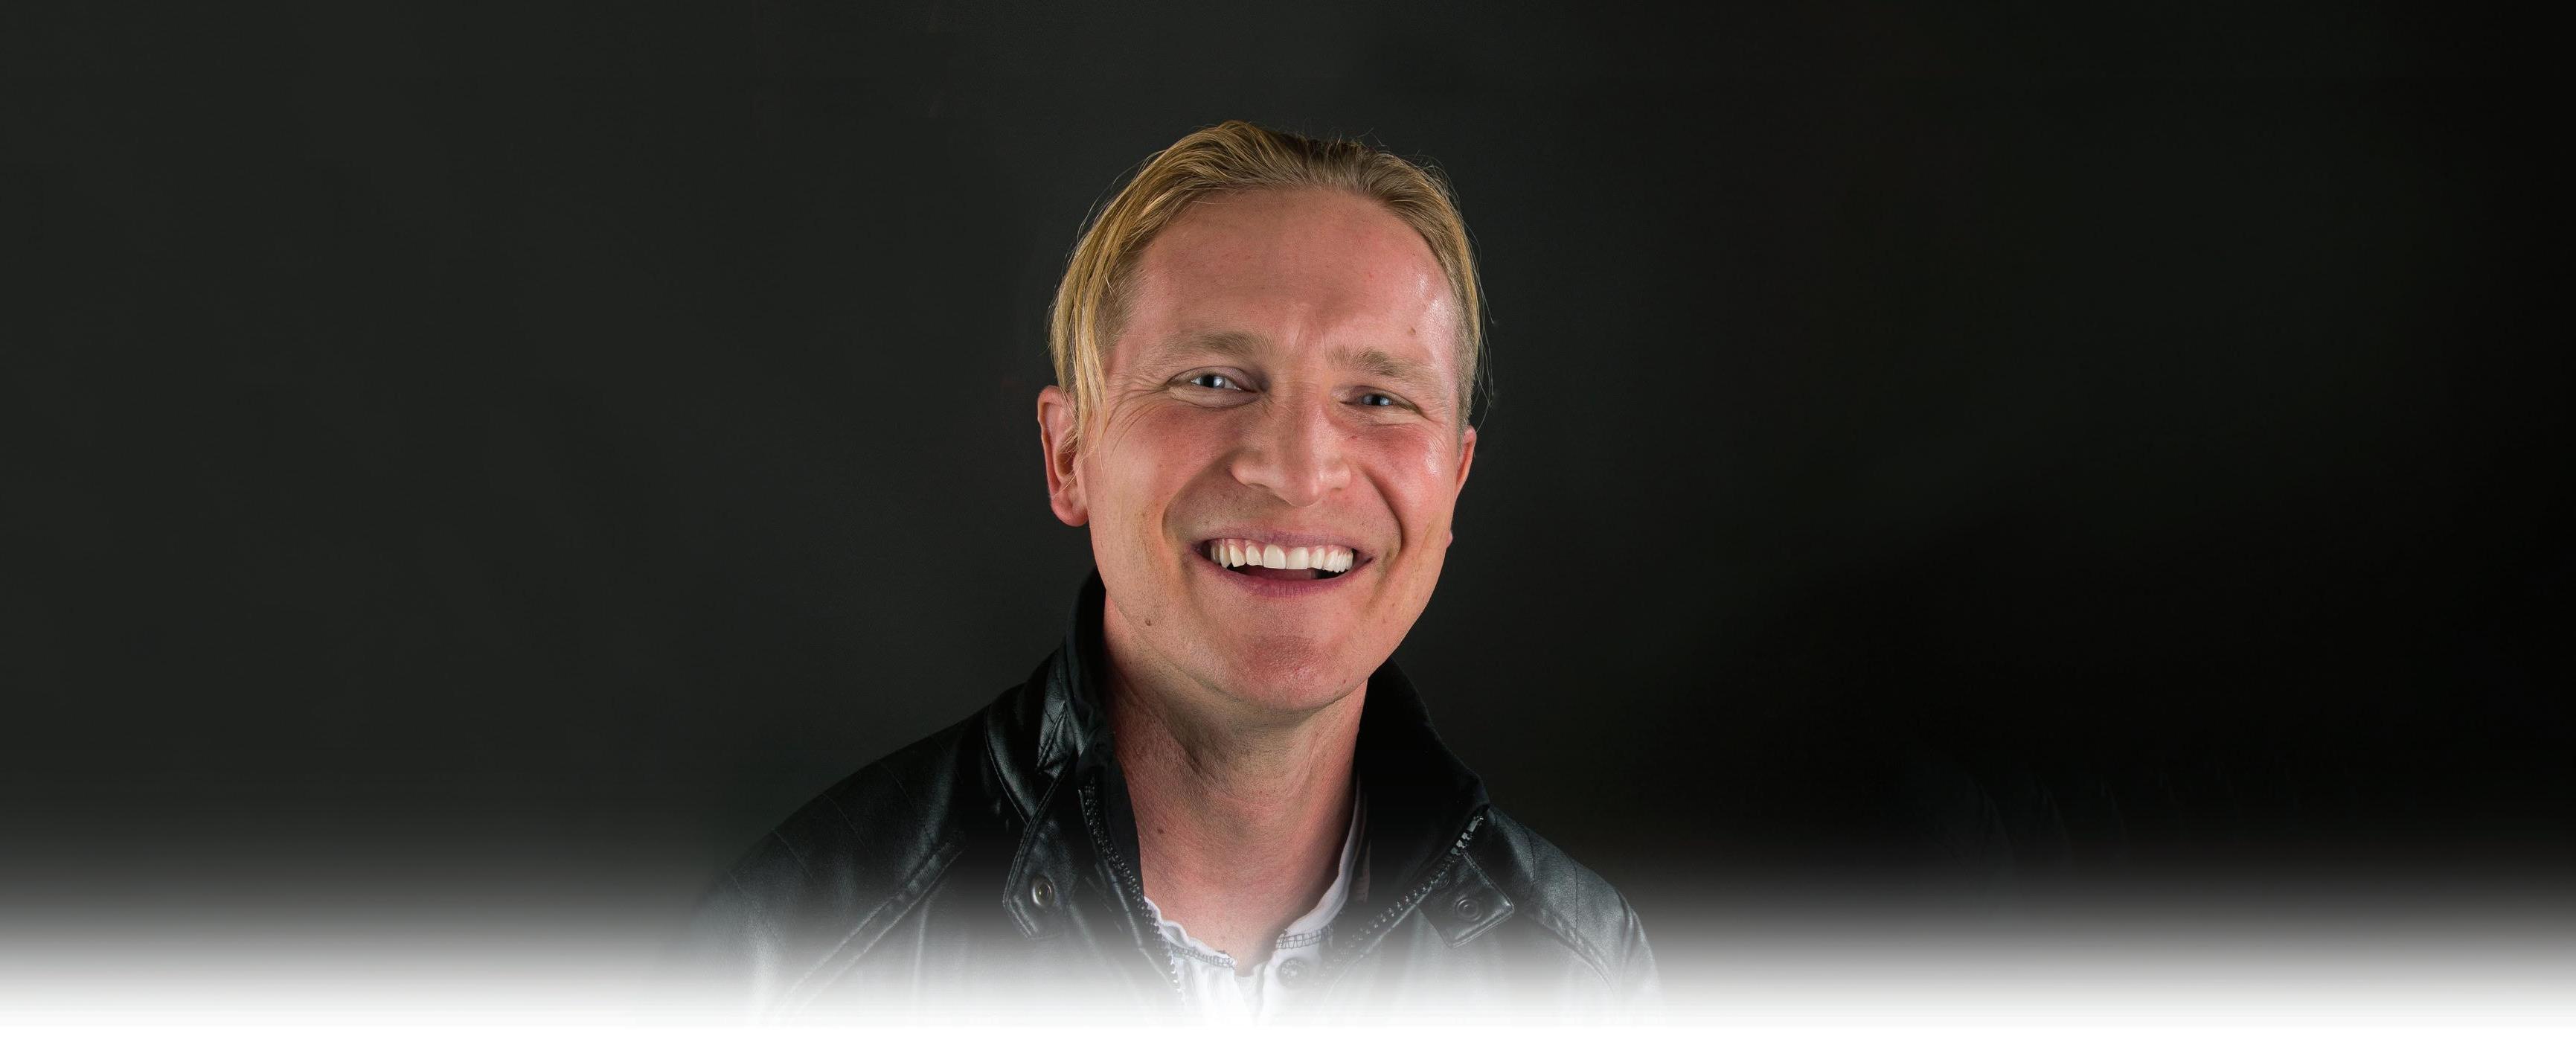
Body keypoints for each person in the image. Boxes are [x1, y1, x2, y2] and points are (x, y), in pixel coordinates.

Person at [671, 120, 1656, 1023]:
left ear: (1453, 481)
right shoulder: (791, 964)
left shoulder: (1587, 973)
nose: (1297, 469)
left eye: (1377, 397)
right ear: (1069, 455)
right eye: (1212, 381)